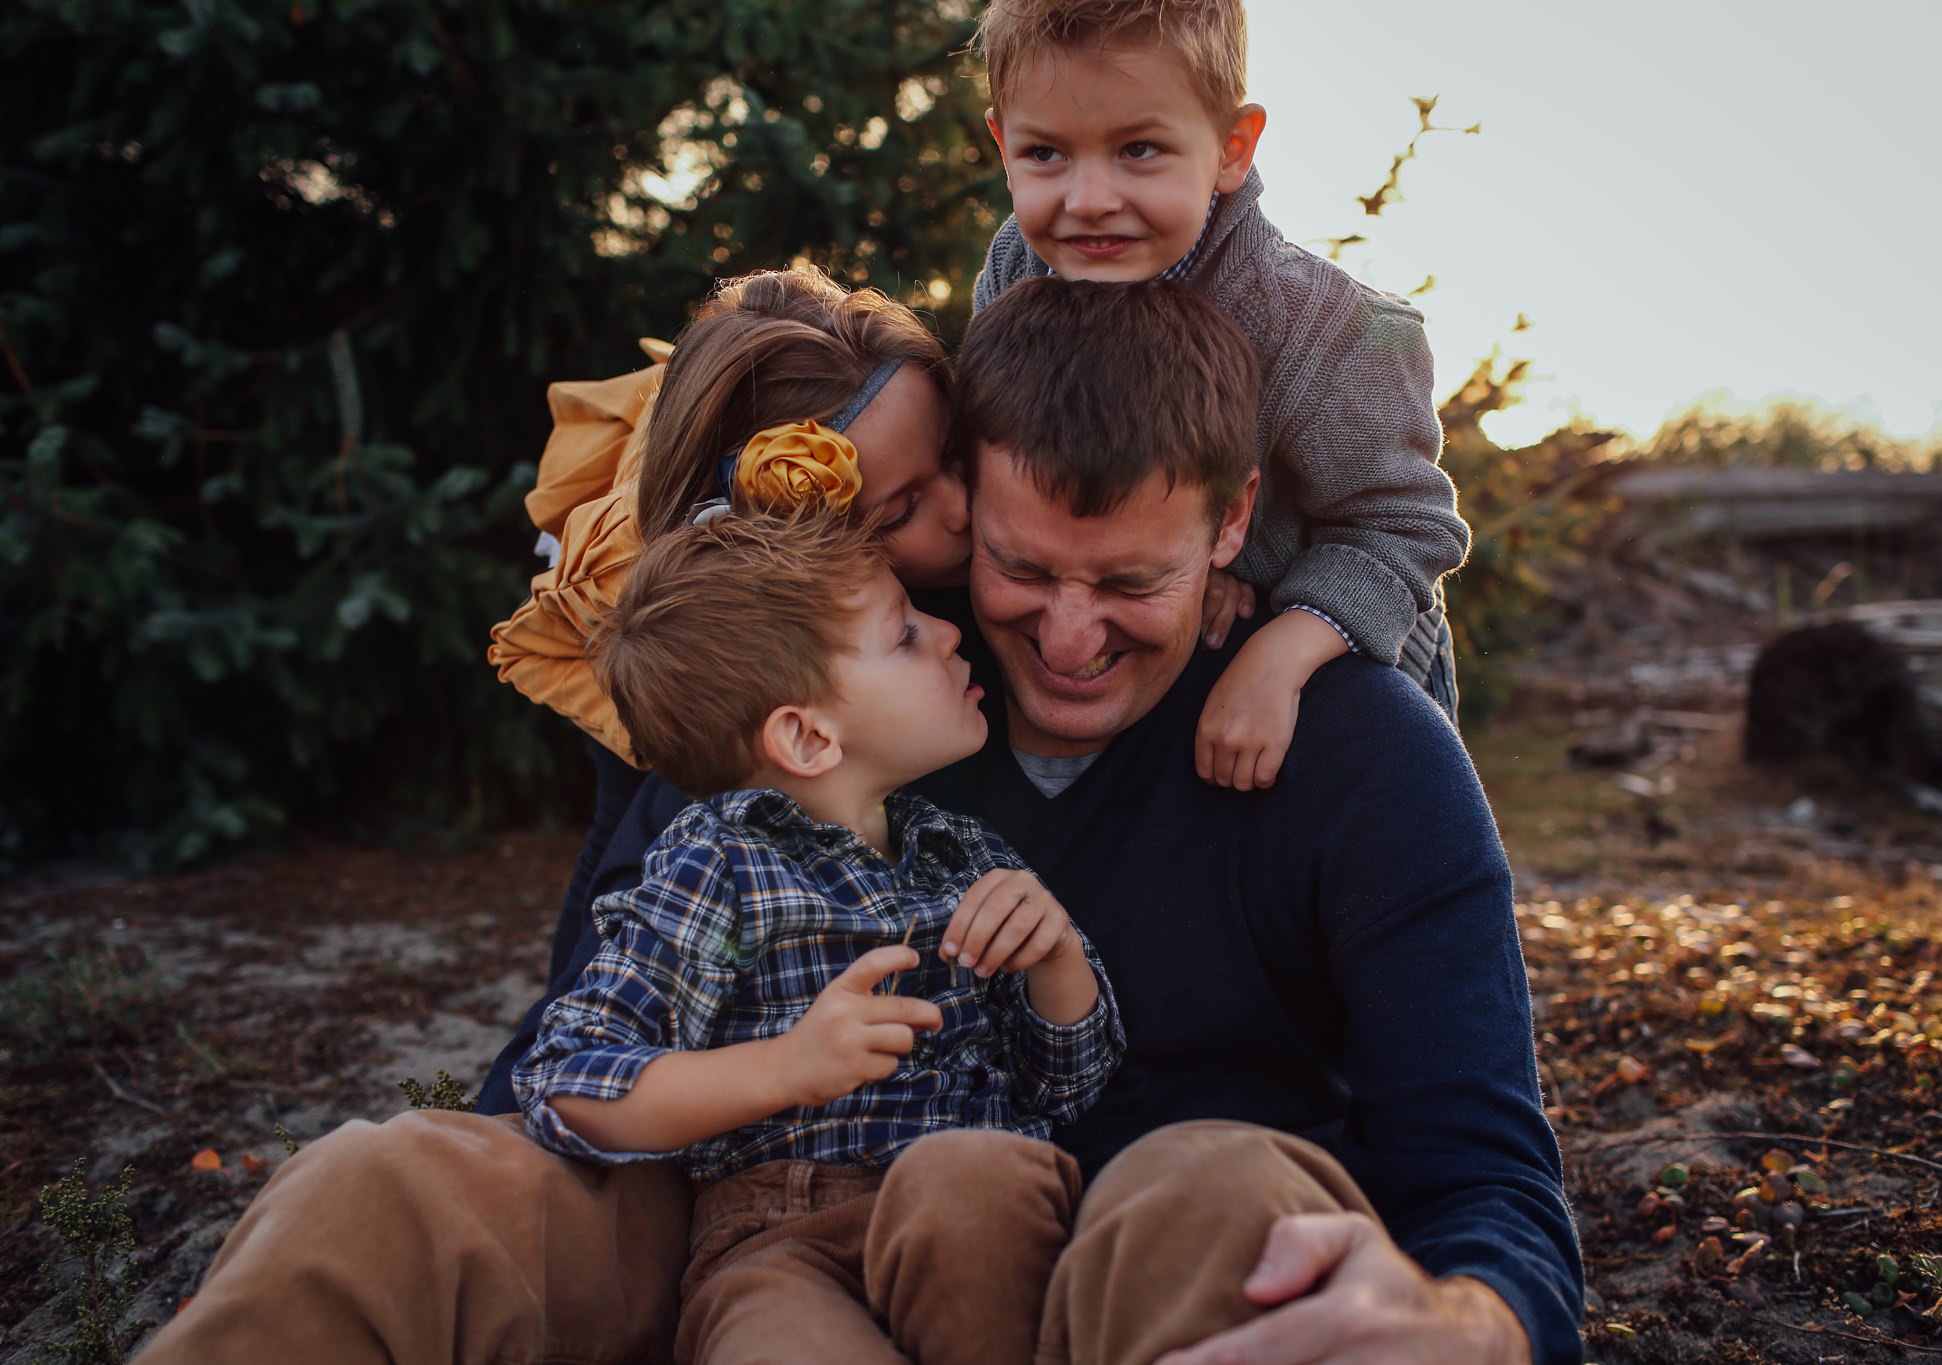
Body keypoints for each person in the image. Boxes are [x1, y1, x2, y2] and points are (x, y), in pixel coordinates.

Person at [137, 279, 1581, 1365]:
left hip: (1096, 1232)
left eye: (1131, 582)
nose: (1066, 635)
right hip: (754, 1218)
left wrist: (1471, 1320)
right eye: (1012, 566)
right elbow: (602, 1010)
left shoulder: (1361, 756)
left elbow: (1487, 1173)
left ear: (1230, 524)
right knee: (390, 1183)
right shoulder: (866, 681)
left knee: (1209, 1190)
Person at [516, 502, 1122, 1363]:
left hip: (973, 1206)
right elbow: (568, 1077)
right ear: (806, 735)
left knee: (981, 1186)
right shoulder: (718, 863)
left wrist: (1056, 956)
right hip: (778, 1235)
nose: (949, 634)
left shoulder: (965, 855)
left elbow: (1067, 1086)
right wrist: (784, 1066)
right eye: (905, 635)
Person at [971, 0, 1471, 792]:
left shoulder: (1324, 328)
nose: (1089, 197)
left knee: (1343, 836)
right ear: (1003, 144)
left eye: (1139, 149)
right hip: (1150, 621)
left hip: (1340, 646)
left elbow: (1403, 527)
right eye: (1046, 154)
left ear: (1231, 148)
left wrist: (1287, 645)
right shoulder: (1016, 266)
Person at [485, 267, 972, 983]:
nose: (964, 508)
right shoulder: (708, 624)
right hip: (647, 612)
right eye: (901, 513)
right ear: (797, 551)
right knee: (626, 825)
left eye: (957, 459)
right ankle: (567, 1011)